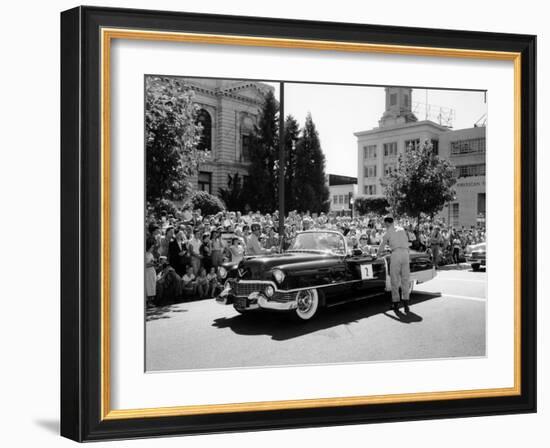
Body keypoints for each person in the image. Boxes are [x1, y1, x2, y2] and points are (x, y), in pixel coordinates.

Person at [378, 215, 411, 313]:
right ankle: (406, 305)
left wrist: (377, 254)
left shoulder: (388, 231)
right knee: (405, 280)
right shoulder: (401, 229)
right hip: (405, 254)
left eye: (385, 224)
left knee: (395, 280)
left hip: (396, 254)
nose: (385, 226)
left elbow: (382, 245)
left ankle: (395, 304)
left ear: (387, 223)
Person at [145, 239, 157, 307]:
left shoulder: (151, 254)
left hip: (152, 272)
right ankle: (148, 302)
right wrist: (152, 264)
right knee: (148, 287)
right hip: (147, 273)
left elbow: (152, 263)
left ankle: (150, 302)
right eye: (152, 247)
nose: (152, 248)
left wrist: (156, 263)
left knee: (152, 287)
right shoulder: (145, 254)